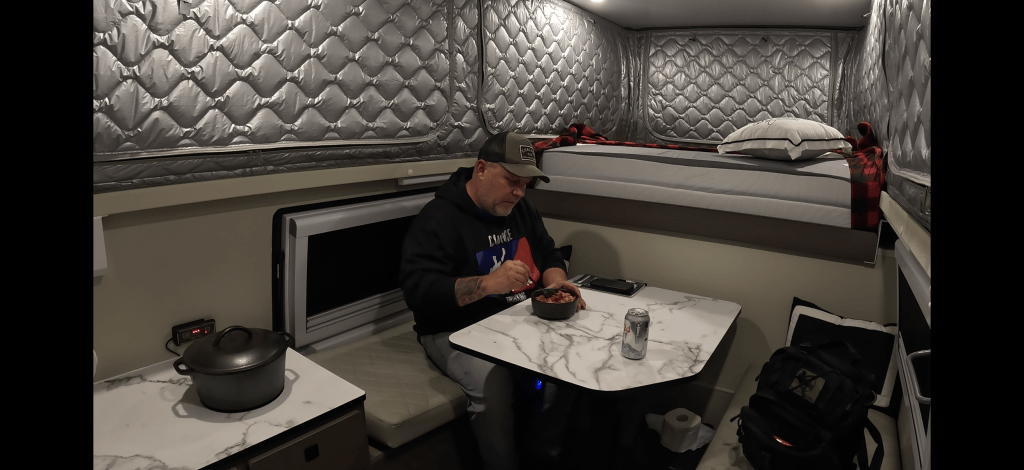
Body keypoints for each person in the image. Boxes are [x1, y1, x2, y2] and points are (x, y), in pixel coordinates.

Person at [399, 131, 586, 470]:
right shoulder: (438, 219)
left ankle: (543, 455)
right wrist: (487, 284)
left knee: (565, 368)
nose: (519, 192)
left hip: (516, 317)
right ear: (482, 169)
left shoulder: (522, 209)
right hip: (453, 329)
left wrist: (557, 282)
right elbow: (420, 292)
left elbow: (549, 253)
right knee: (493, 384)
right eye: (512, 181)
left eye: (526, 184)